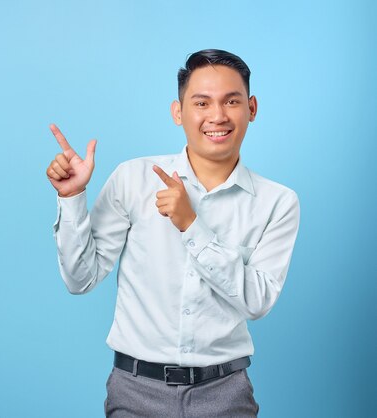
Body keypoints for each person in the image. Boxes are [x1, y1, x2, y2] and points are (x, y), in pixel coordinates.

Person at [46, 49, 300, 417]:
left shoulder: (277, 202)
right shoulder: (134, 179)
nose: (218, 116)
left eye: (232, 101)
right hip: (135, 391)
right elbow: (80, 279)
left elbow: (257, 301)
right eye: (202, 103)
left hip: (225, 393)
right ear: (178, 112)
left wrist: (192, 225)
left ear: (252, 108)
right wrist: (71, 198)